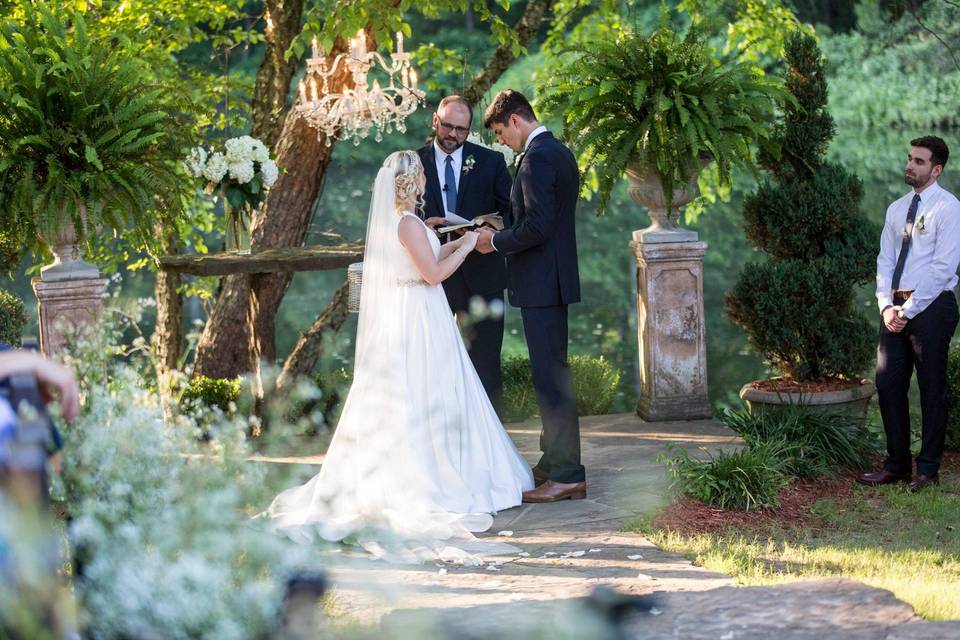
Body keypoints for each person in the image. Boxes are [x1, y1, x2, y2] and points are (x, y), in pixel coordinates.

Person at [265, 150, 532, 563]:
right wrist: (467, 245)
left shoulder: (411, 223)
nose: (427, 179)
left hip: (423, 313)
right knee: (422, 392)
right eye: (422, 174)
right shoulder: (406, 224)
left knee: (434, 390)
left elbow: (429, 262)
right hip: (418, 319)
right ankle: (426, 477)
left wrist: (451, 239)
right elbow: (433, 275)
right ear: (411, 182)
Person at [476, 90, 586, 503]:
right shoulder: (555, 150)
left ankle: (568, 474)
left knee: (552, 379)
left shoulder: (539, 156)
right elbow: (540, 218)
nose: (502, 141)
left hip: (543, 282)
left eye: (502, 133)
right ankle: (553, 461)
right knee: (549, 375)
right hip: (548, 281)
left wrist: (494, 241)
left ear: (516, 121)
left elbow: (538, 227)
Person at [860, 136, 960, 492]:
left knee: (932, 388)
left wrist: (909, 308)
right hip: (895, 309)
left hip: (932, 306)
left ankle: (928, 470)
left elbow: (943, 267)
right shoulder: (895, 209)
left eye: (919, 161)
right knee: (888, 384)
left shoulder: (948, 208)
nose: (910, 165)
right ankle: (897, 465)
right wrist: (886, 305)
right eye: (909, 158)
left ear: (936, 169)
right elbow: (885, 261)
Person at [417, 95, 512, 415]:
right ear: (434, 121)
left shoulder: (491, 162)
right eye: (447, 126)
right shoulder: (414, 163)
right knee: (434, 359)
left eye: (462, 129)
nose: (453, 135)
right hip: (433, 275)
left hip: (484, 271)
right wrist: (424, 229)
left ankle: (490, 438)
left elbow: (511, 213)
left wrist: (488, 228)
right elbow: (400, 218)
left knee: (486, 362)